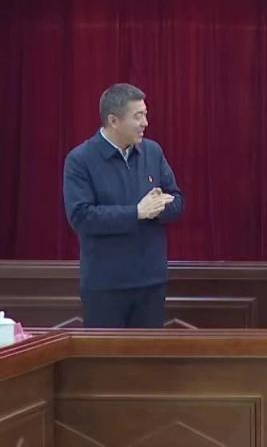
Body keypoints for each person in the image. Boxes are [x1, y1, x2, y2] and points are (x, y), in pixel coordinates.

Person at [63, 83, 184, 328]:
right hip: (105, 286)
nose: (145, 123)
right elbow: (81, 216)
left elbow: (177, 201)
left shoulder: (153, 152)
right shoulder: (80, 160)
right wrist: (136, 212)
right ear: (114, 121)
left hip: (151, 283)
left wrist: (158, 208)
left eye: (145, 114)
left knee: (149, 353)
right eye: (138, 116)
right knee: (105, 354)